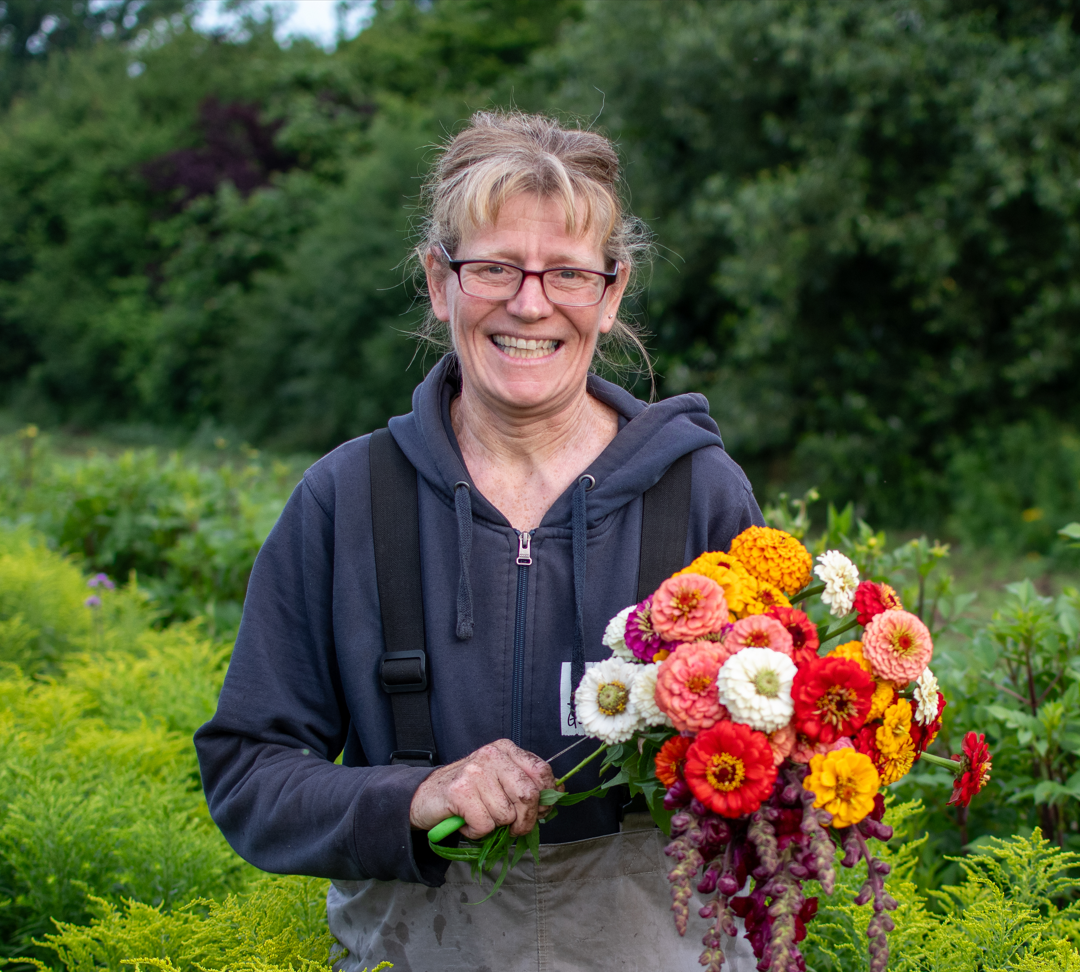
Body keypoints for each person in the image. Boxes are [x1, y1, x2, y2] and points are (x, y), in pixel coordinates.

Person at [194, 112, 765, 970]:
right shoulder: (344, 500)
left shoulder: (701, 495)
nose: (529, 303)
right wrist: (415, 795)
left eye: (567, 273)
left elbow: (774, 766)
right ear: (438, 280)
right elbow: (248, 775)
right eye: (493, 267)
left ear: (609, 294)